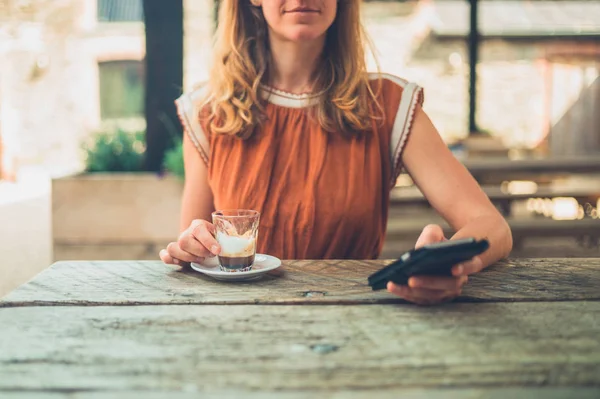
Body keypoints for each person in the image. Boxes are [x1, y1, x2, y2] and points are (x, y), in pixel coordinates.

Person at [160, 0, 513, 305]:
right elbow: (195, 252)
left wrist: (447, 263)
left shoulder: (389, 104)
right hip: (240, 330)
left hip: (355, 324)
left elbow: (491, 225)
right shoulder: (207, 113)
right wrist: (190, 246)